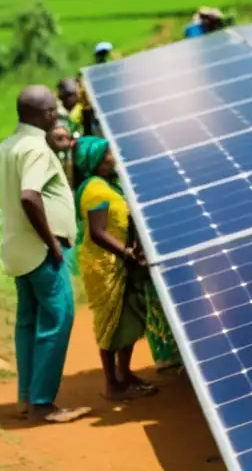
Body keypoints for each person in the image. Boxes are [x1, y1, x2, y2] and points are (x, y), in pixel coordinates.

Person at [0, 86, 90, 423]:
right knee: (59, 316)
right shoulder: (36, 148)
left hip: (17, 248)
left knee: (28, 322)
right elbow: (30, 196)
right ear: (43, 113)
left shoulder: (9, 145)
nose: (56, 115)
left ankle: (25, 397)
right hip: (40, 249)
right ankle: (42, 402)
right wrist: (52, 242)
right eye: (52, 110)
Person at [74, 137, 180, 395]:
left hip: (125, 262)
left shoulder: (112, 185)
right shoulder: (95, 190)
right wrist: (126, 253)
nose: (113, 157)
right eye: (107, 154)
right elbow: (98, 232)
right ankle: (112, 383)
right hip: (107, 266)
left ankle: (125, 373)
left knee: (130, 321)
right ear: (95, 160)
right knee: (111, 324)